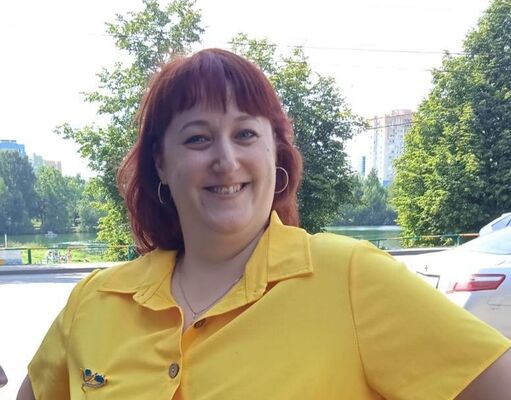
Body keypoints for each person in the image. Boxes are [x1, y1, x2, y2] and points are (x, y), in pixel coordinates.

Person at [18, 48, 511, 400]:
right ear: (161, 164)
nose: (226, 160)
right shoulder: (95, 301)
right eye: (197, 138)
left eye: (246, 134)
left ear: (275, 152)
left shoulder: (349, 277)